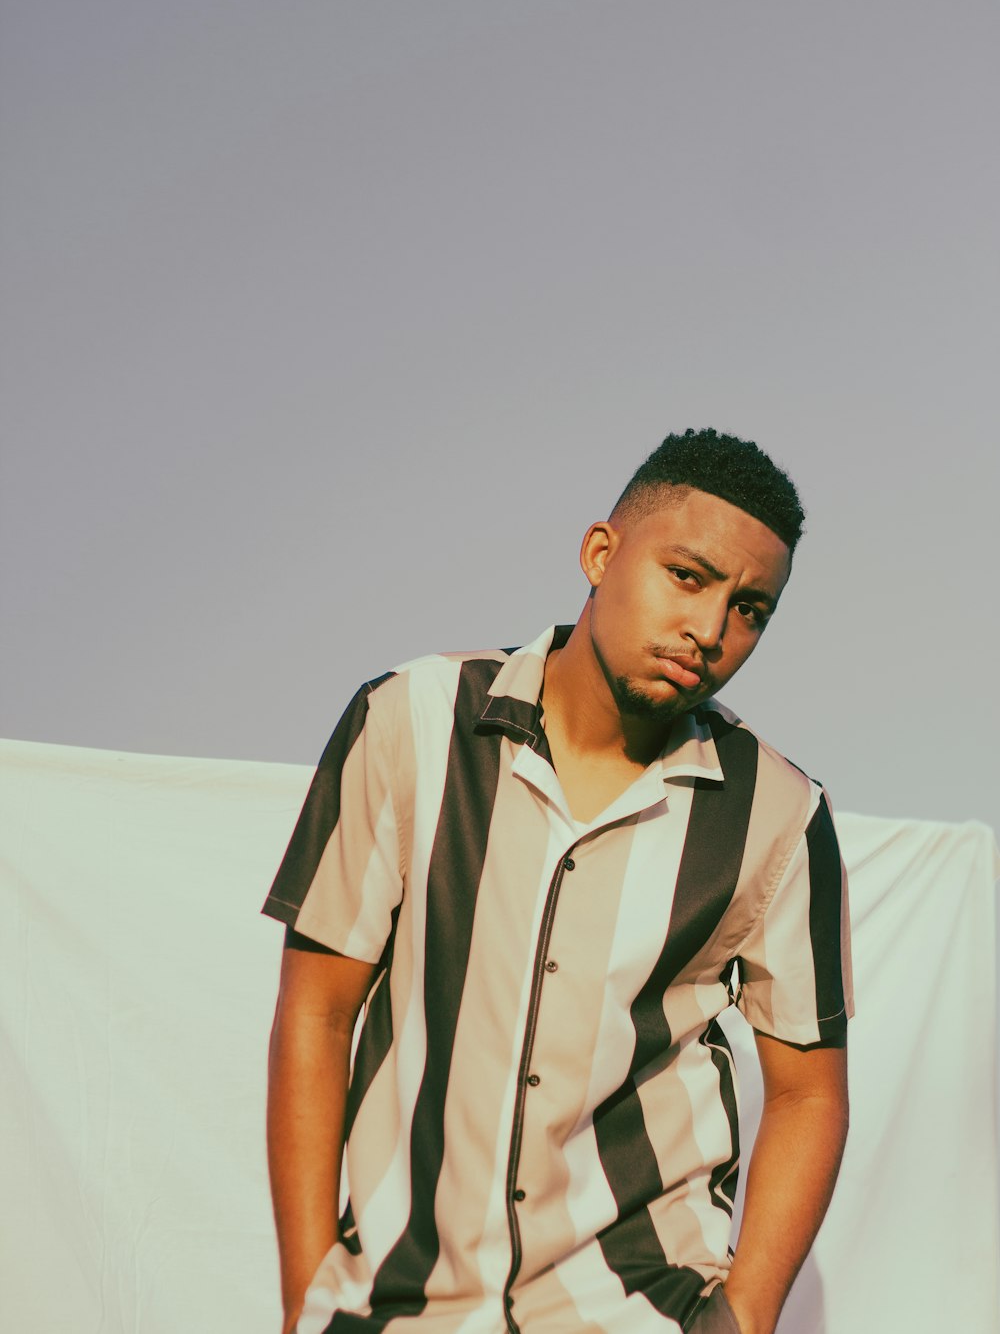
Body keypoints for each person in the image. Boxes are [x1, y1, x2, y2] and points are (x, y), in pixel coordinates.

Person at [263, 427, 853, 1334]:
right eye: (687, 577)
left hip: (640, 1308)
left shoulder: (778, 813)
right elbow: (316, 1008)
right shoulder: (411, 722)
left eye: (751, 609)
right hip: (401, 1304)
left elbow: (810, 1090)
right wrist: (308, 1295)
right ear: (599, 552)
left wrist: (747, 1313)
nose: (711, 629)